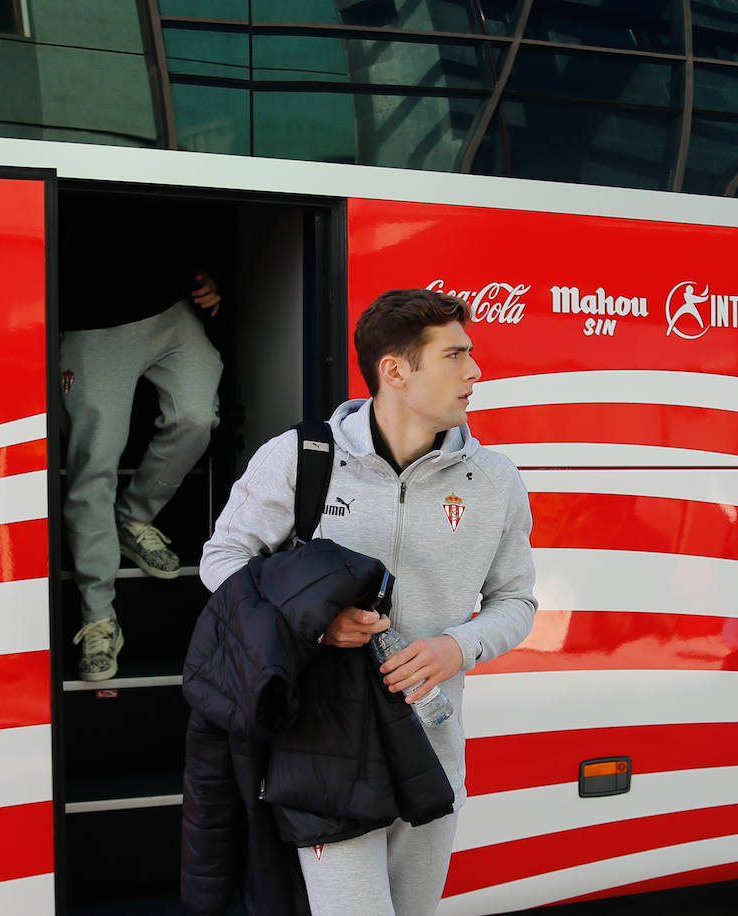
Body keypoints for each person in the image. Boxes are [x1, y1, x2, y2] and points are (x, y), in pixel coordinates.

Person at [197, 288, 537, 915]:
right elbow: (222, 562)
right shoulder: (303, 459)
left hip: (433, 747)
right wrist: (315, 623)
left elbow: (515, 600)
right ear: (395, 370)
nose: (475, 372)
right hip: (326, 748)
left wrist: (457, 647)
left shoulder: (495, 481)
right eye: (455, 355)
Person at [61, 194, 226, 681]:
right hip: (89, 326)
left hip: (171, 315)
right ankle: (98, 617)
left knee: (196, 418)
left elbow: (184, 211)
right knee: (94, 466)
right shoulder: (67, 148)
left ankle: (133, 518)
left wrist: (212, 277)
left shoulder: (137, 148)